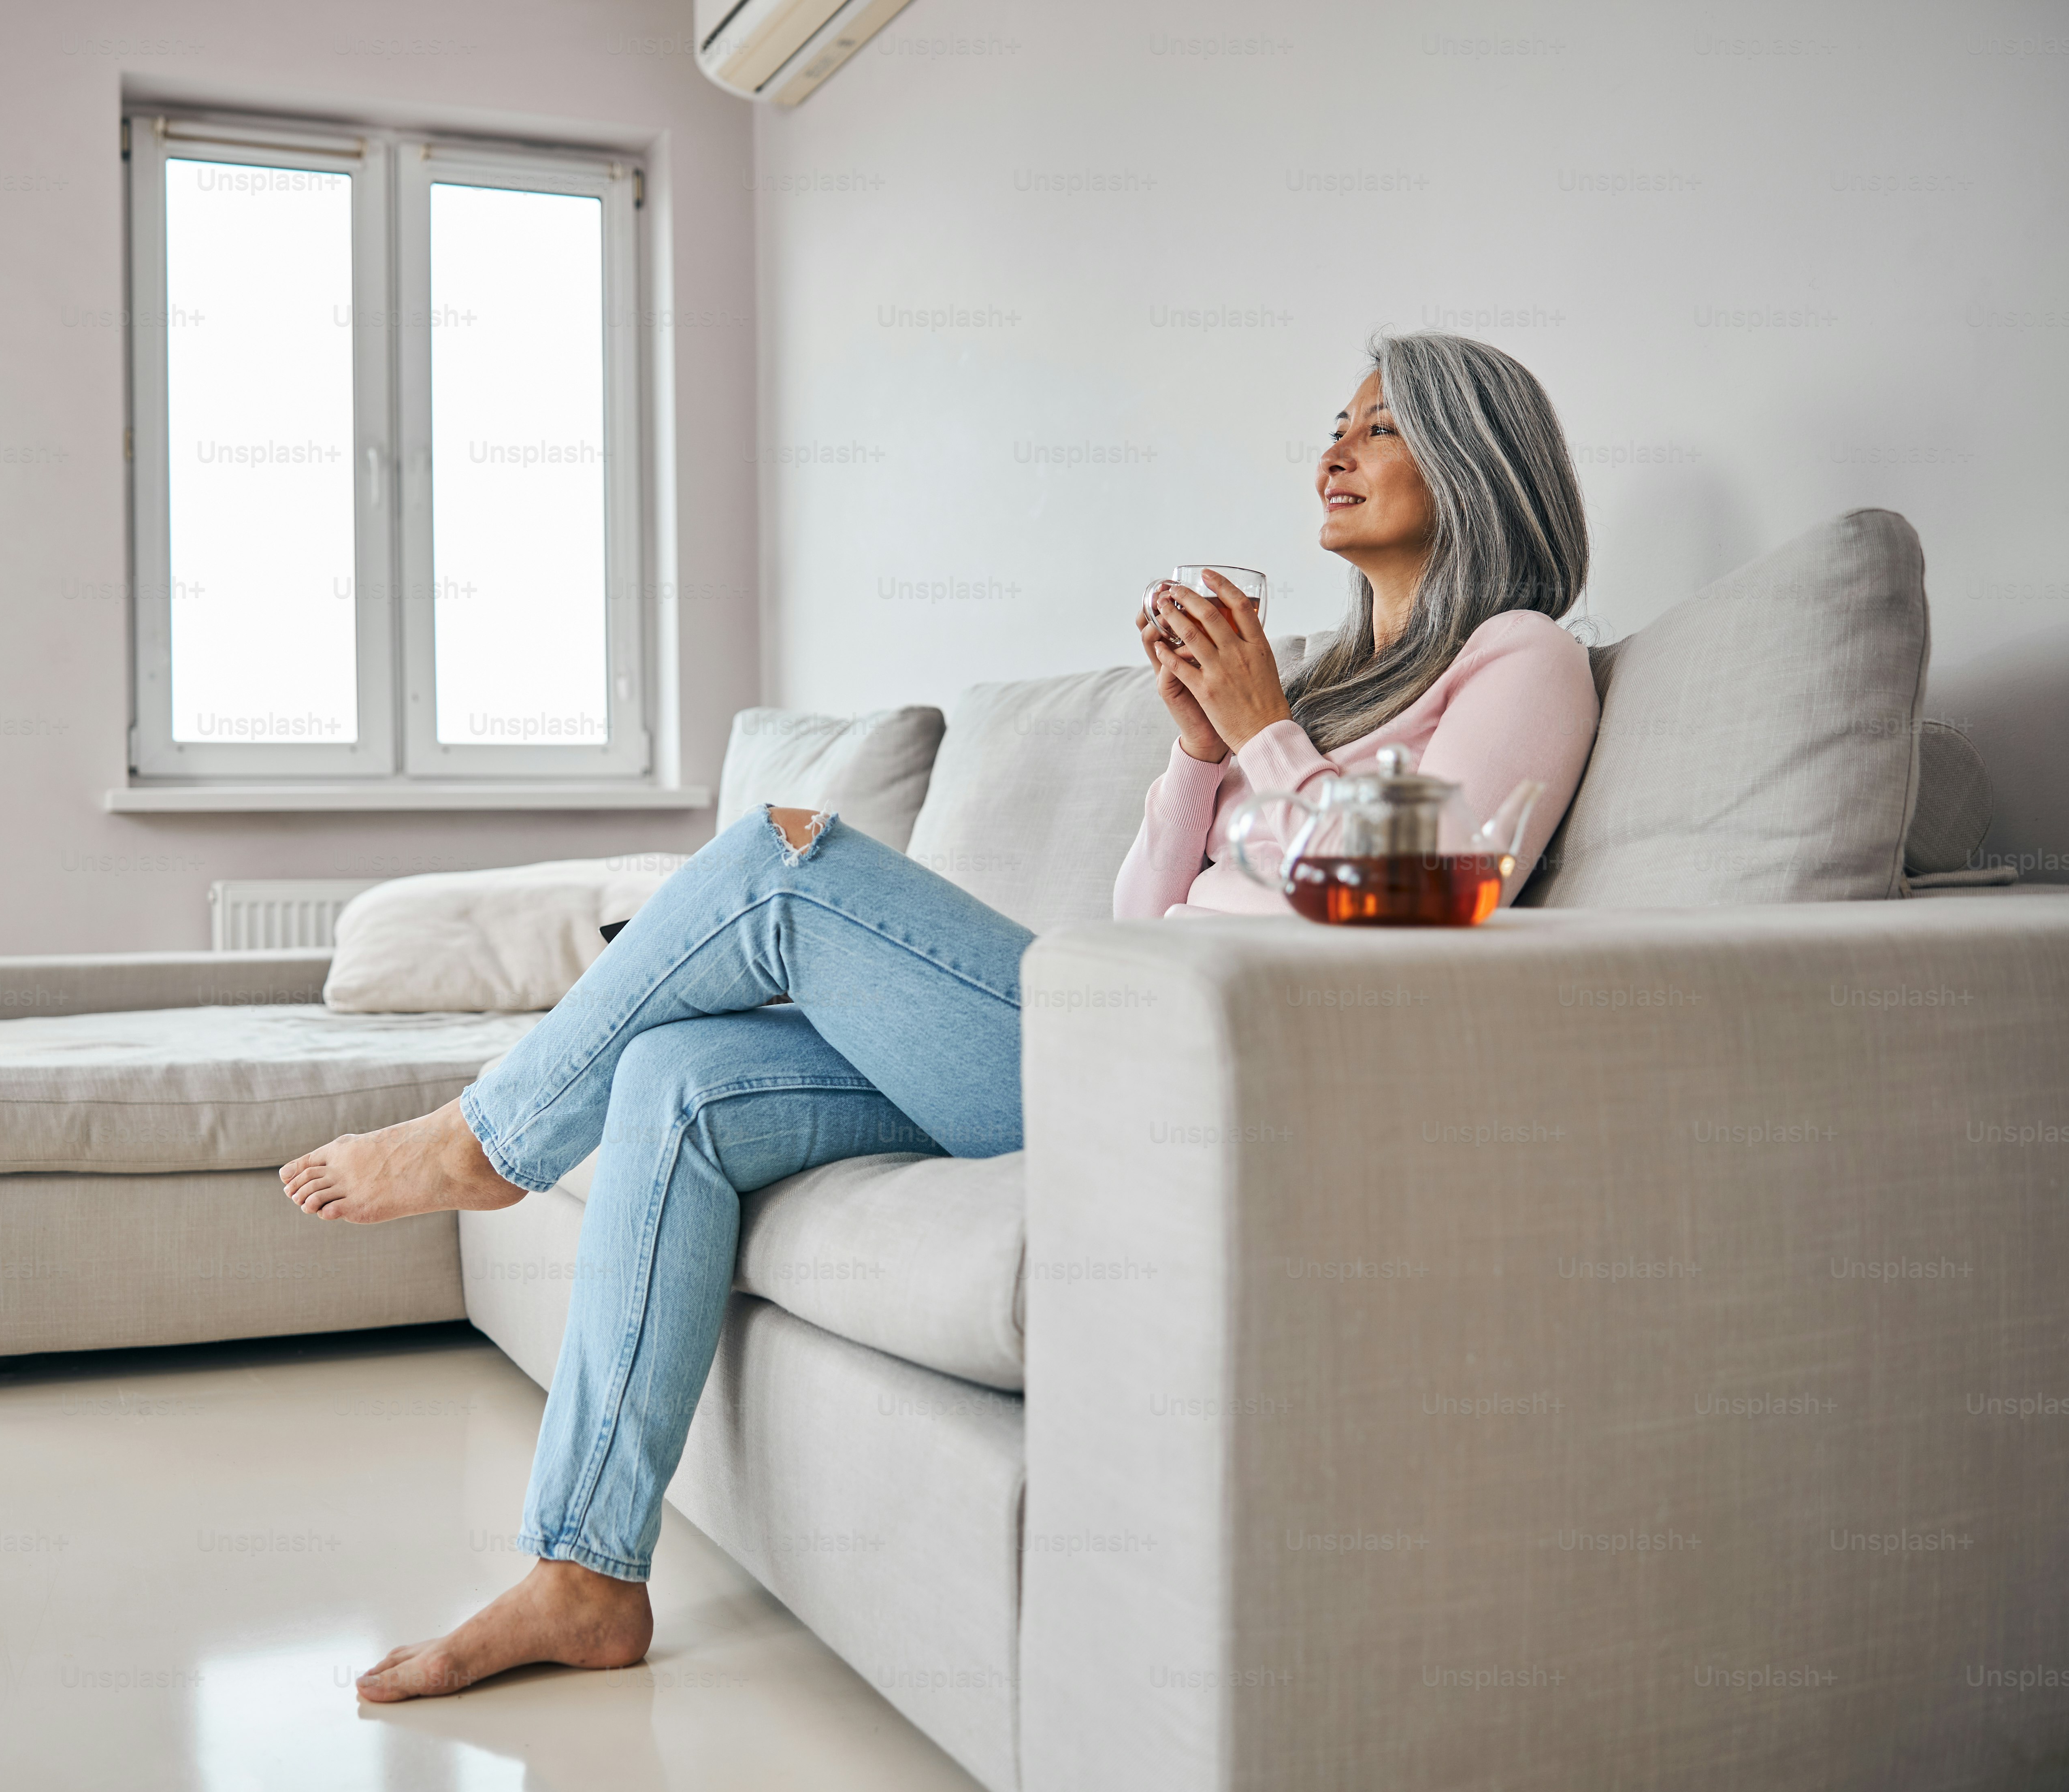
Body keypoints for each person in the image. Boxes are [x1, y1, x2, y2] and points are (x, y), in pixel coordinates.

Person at [276, 330, 1603, 1703]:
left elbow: (1431, 893)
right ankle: (586, 1575)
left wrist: (1262, 733)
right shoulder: (1325, 693)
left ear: (1474, 458)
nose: (1335, 449)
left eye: (1379, 428)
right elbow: (1143, 926)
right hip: (1114, 1017)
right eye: (1336, 421)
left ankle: (489, 1142)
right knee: (674, 1072)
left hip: (1196, 1078)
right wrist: (1200, 753)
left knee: (781, 854)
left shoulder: (1522, 659)